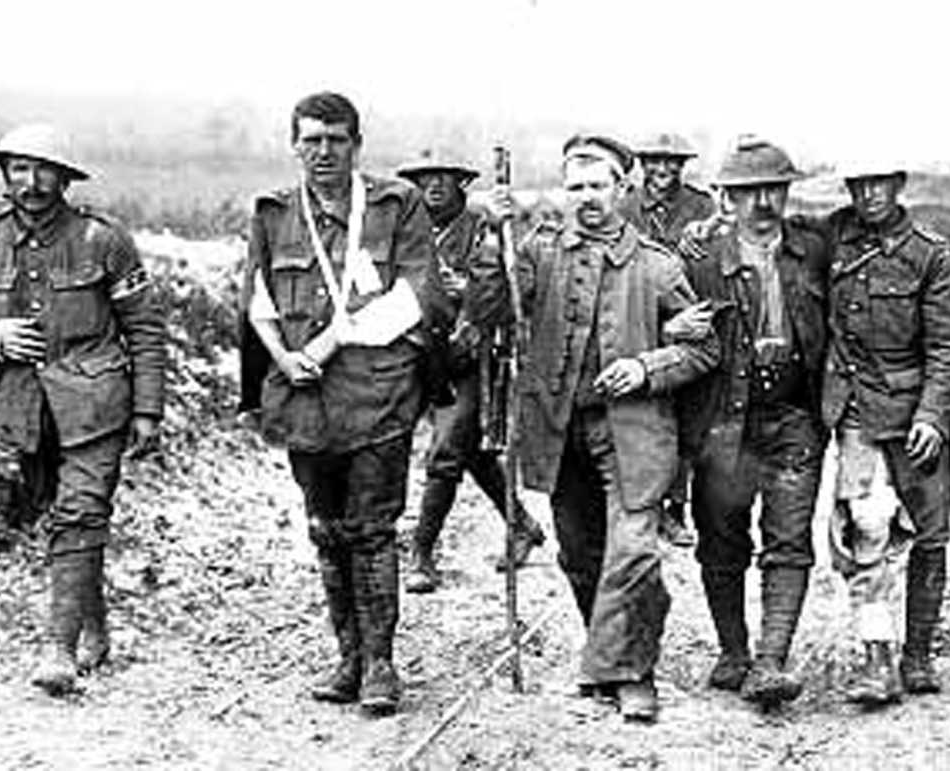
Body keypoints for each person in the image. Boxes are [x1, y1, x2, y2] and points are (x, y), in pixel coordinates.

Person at [472, 134, 717, 722]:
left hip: (634, 431)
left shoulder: (658, 266)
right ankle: (614, 656)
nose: (587, 198)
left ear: (621, 189)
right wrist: (489, 243)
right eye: (575, 186)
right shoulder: (535, 251)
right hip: (558, 429)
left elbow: (703, 349)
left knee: (632, 553)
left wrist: (645, 367)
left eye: (598, 186)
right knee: (581, 557)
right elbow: (486, 314)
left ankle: (630, 673)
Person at [238, 92, 449, 715]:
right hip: (304, 397)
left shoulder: (393, 204)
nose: (322, 152)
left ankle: (382, 665)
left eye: (335, 140)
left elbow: (419, 294)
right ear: (294, 145)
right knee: (326, 530)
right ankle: (348, 656)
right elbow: (256, 298)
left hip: (377, 392)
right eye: (311, 140)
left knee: (372, 527)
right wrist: (280, 357)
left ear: (356, 144)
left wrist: (331, 342)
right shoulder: (274, 211)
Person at [0, 124, 166, 697]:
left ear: (65, 179)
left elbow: (144, 327)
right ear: (4, 175)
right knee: (59, 513)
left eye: (45, 169)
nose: (32, 181)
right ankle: (92, 624)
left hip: (97, 402)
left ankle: (59, 649)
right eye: (19, 168)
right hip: (25, 409)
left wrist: (148, 410)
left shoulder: (103, 239)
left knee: (80, 514)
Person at [669, 137, 829, 706]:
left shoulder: (816, 249)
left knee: (789, 540)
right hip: (722, 422)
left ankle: (770, 660)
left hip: (795, 417)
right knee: (721, 541)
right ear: (727, 200)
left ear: (787, 193)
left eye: (773, 189)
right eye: (747, 192)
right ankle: (734, 651)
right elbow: (667, 317)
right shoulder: (699, 260)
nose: (762, 203)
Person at [820, 157, 950, 705]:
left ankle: (919, 654)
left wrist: (934, 415)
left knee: (930, 534)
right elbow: (772, 239)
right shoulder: (833, 238)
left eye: (878, 182)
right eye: (858, 184)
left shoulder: (927, 255)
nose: (869, 194)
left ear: (898, 184)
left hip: (915, 414)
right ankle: (877, 657)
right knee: (866, 528)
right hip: (858, 410)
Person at [395, 150, 544, 593]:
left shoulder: (484, 226)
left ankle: (421, 552)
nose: (433, 186)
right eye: (424, 179)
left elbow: (505, 289)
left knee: (445, 453)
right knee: (469, 450)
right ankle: (522, 525)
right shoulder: (409, 231)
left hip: (471, 354)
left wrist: (472, 291)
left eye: (444, 177)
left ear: (462, 183)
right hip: (421, 353)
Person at [619, 132, 717, 549]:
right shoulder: (624, 208)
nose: (663, 170)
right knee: (646, 414)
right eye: (655, 162)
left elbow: (717, 258)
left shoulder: (701, 207)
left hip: (690, 319)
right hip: (638, 320)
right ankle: (645, 505)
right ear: (642, 164)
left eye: (672, 162)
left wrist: (709, 232)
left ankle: (676, 508)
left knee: (689, 418)